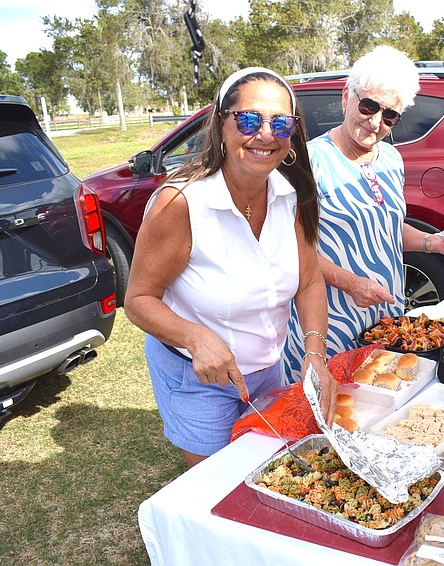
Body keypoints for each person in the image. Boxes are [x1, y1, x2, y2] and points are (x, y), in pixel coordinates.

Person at [124, 67, 337, 467]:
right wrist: (195, 337)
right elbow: (138, 300)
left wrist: (314, 354)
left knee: (269, 471)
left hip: (267, 370)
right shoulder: (181, 203)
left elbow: (309, 281)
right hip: (199, 377)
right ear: (222, 125)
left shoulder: (295, 196)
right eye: (249, 119)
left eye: (281, 122)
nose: (266, 134)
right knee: (219, 486)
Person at [282, 46, 444, 382]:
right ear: (346, 97)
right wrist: (351, 283)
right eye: (368, 106)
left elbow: (385, 228)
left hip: (386, 320)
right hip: (329, 322)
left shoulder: (392, 159)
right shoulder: (309, 163)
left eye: (390, 116)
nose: (376, 122)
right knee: (328, 414)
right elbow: (291, 248)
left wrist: (432, 242)